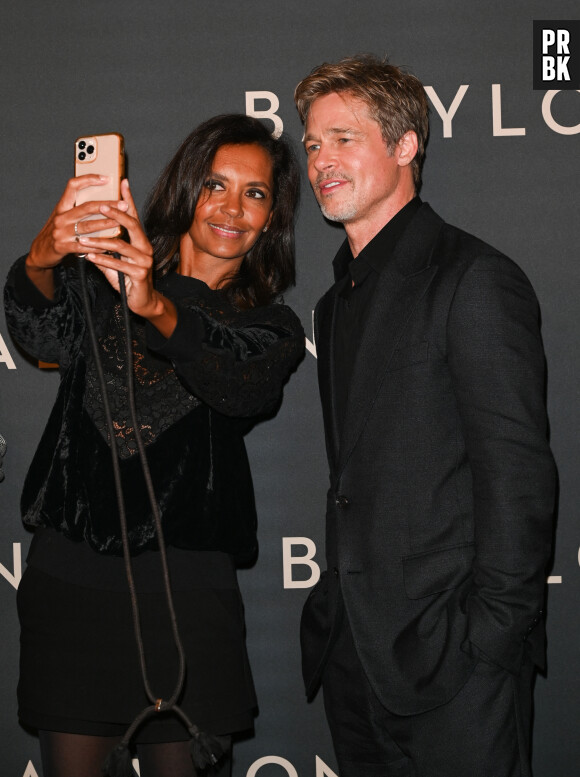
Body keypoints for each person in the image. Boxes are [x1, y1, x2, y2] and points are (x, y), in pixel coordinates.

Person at [4, 114, 304, 777]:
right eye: (216, 184)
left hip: (188, 605)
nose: (232, 207)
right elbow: (39, 335)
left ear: (272, 217)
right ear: (185, 189)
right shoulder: (96, 282)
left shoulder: (268, 327)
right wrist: (44, 254)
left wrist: (155, 306)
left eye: (255, 194)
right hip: (71, 586)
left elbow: (238, 381)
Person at [294, 55, 556, 777]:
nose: (321, 160)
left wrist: (490, 641)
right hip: (356, 656)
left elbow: (518, 475)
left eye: (343, 138)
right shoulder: (334, 300)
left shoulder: (473, 278)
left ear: (406, 144)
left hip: (455, 665)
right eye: (312, 143)